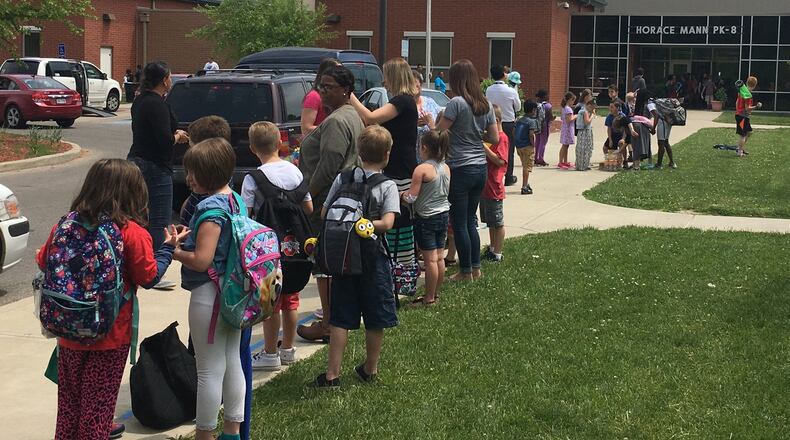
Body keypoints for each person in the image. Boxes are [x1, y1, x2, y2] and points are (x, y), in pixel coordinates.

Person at [38, 159, 186, 440]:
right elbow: (149, 276)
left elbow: (43, 260)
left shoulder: (66, 225)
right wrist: (167, 250)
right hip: (110, 335)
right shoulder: (132, 233)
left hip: (68, 330)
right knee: (97, 413)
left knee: (70, 408)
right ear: (134, 193)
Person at [176, 116, 257, 440]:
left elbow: (202, 260)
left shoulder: (209, 210)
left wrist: (176, 250)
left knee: (208, 370)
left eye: (192, 171)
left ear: (204, 175)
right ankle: (232, 431)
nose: (188, 177)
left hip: (209, 295)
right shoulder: (235, 200)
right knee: (231, 362)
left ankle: (205, 434)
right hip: (236, 292)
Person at [312, 126, 400, 388]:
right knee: (375, 316)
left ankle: (332, 375)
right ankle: (369, 369)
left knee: (341, 316)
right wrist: (368, 225)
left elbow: (326, 210)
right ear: (387, 155)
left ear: (359, 153)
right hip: (372, 257)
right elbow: (388, 222)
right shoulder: (387, 185)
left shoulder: (343, 178)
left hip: (342, 257)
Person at [298, 65, 364, 342]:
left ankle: (328, 322)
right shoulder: (350, 115)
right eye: (321, 86)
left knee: (323, 263)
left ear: (346, 90)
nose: (323, 91)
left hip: (327, 202)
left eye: (329, 87)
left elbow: (329, 165)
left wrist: (306, 196)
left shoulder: (338, 121)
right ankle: (334, 316)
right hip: (342, 200)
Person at [242, 121, 313, 370]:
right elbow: (309, 207)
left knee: (270, 301)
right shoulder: (295, 172)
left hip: (267, 250)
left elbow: (246, 217)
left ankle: (269, 353)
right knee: (291, 298)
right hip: (294, 247)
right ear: (280, 144)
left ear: (252, 148)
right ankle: (288, 349)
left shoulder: (253, 179)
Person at [350, 57, 419, 276]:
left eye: (386, 76)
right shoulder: (403, 102)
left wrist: (349, 94)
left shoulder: (402, 101)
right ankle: (393, 267)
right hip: (396, 167)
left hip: (400, 171)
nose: (384, 81)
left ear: (394, 77)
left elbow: (370, 117)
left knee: (398, 222)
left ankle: (400, 270)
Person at [127, 61, 189, 290]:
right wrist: (178, 137)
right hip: (155, 166)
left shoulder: (141, 101)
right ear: (164, 80)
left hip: (136, 162)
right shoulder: (156, 104)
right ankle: (153, 271)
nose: (171, 80)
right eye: (170, 77)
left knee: (138, 216)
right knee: (159, 220)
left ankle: (138, 264)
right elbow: (164, 140)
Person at [436, 59, 499, 282]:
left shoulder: (456, 103)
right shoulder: (486, 105)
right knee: (470, 220)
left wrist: (429, 123)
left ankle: (465, 272)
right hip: (480, 167)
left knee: (460, 222)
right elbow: (494, 137)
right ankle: (475, 268)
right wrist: (475, 135)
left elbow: (439, 132)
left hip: (459, 167)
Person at [401, 129, 450, 305]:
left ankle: (428, 298)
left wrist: (400, 195)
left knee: (429, 260)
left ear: (424, 147)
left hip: (426, 217)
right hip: (443, 214)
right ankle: (435, 294)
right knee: (439, 257)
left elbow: (412, 197)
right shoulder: (445, 167)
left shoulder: (421, 170)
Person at [486, 65, 521, 186]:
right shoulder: (511, 90)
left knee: (493, 148)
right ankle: (509, 176)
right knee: (509, 150)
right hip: (508, 123)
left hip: (492, 122)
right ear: (503, 74)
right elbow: (518, 107)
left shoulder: (489, 89)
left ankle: (494, 174)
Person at [480, 105, 508, 261]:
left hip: (494, 186)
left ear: (495, 121)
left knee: (497, 222)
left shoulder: (502, 138)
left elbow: (499, 160)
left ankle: (498, 253)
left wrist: (483, 147)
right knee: (490, 222)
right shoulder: (490, 137)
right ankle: (491, 248)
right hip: (485, 186)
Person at [301, 58, 341, 135]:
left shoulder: (339, 97)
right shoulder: (314, 97)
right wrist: (332, 128)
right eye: (337, 72)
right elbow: (306, 128)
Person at [413, 69, 441, 163]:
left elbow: (441, 129)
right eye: (411, 83)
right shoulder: (404, 105)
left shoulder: (430, 102)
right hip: (412, 158)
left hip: (431, 159)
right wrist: (413, 124)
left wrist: (431, 123)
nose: (416, 87)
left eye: (418, 84)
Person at [632, 89, 659, 170]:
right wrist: (653, 128)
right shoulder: (648, 104)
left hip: (636, 124)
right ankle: (649, 163)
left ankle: (636, 164)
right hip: (644, 126)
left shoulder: (638, 104)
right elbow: (656, 116)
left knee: (636, 145)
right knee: (646, 144)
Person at [514, 101, 538, 193]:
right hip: (527, 146)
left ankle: (526, 183)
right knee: (527, 167)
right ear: (533, 110)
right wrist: (533, 144)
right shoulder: (532, 121)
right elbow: (531, 134)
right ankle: (524, 186)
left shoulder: (519, 119)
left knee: (524, 165)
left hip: (519, 146)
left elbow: (514, 131)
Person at [735, 76, 762, 158]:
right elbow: (747, 108)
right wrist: (756, 106)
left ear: (747, 83)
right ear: (754, 85)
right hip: (742, 117)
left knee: (749, 133)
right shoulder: (748, 95)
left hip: (741, 116)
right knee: (743, 135)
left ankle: (740, 148)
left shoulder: (742, 90)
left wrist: (738, 110)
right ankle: (739, 151)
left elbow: (737, 102)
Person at [533, 89, 554, 167]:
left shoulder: (536, 105)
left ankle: (535, 158)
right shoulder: (548, 106)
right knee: (543, 143)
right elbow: (550, 117)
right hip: (545, 126)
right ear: (545, 96)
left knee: (537, 142)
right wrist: (553, 118)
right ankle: (541, 159)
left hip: (537, 125)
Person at [558, 92, 577, 169]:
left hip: (565, 128)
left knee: (566, 145)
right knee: (564, 145)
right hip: (568, 129)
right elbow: (569, 120)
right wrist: (575, 116)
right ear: (569, 100)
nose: (573, 102)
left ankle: (565, 161)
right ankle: (560, 161)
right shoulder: (568, 109)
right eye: (573, 100)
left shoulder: (564, 108)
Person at [575, 100, 595, 171]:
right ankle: (583, 166)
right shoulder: (585, 111)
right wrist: (592, 116)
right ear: (589, 105)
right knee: (585, 148)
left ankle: (579, 164)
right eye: (592, 107)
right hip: (585, 132)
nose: (592, 109)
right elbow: (587, 122)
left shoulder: (581, 110)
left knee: (580, 148)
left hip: (580, 132)